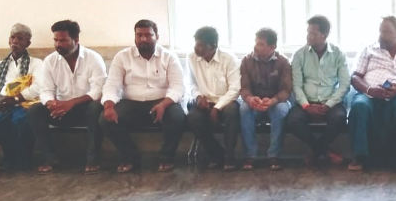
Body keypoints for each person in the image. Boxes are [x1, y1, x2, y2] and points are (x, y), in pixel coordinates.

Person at [101, 19, 185, 173]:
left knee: (177, 116)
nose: (143, 39)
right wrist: (108, 106)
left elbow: (178, 87)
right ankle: (130, 157)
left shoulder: (169, 57)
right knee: (105, 119)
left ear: (157, 36)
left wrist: (164, 104)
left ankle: (166, 157)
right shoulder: (122, 56)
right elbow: (112, 84)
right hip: (131, 103)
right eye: (139, 35)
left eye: (148, 35)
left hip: (162, 102)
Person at [27, 20, 107, 175]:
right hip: (60, 110)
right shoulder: (50, 61)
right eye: (56, 40)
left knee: (96, 107)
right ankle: (50, 158)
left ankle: (92, 159)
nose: (58, 44)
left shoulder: (93, 58)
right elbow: (45, 90)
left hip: (86, 109)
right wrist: (51, 103)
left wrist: (71, 103)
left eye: (63, 40)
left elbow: (98, 91)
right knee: (34, 110)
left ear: (76, 40)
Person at [348, 16, 396, 171]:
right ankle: (360, 157)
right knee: (359, 105)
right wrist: (370, 90)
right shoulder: (368, 49)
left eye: (387, 32)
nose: (382, 35)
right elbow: (355, 77)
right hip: (369, 94)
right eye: (381, 31)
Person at [285, 15, 350, 166]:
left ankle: (315, 152)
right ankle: (325, 150)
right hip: (306, 101)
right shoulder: (299, 54)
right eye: (308, 32)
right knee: (293, 120)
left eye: (313, 33)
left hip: (330, 101)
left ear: (324, 35)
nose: (309, 36)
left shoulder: (338, 54)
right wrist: (306, 106)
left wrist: (328, 105)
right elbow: (296, 85)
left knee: (339, 118)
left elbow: (345, 84)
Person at [0, 23, 42, 170]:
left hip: (26, 103)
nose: (15, 41)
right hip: (4, 104)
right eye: (12, 37)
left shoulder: (36, 64)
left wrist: (15, 99)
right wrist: (0, 99)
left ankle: (23, 160)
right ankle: (10, 158)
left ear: (28, 43)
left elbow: (37, 88)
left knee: (20, 120)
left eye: (20, 38)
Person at [185, 26, 242, 170]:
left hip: (226, 101)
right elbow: (191, 83)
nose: (196, 48)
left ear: (214, 46)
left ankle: (230, 157)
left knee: (231, 113)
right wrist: (198, 96)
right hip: (204, 102)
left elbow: (235, 89)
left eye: (201, 45)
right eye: (196, 43)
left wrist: (217, 108)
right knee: (193, 118)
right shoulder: (191, 57)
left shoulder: (228, 59)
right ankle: (216, 154)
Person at [239, 28, 292, 170]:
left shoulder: (283, 62)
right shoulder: (246, 61)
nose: (256, 47)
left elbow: (286, 90)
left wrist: (273, 100)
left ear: (272, 47)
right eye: (256, 43)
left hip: (276, 102)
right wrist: (250, 98)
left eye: (261, 44)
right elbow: (244, 88)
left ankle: (274, 155)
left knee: (280, 110)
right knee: (244, 109)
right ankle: (250, 155)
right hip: (255, 102)